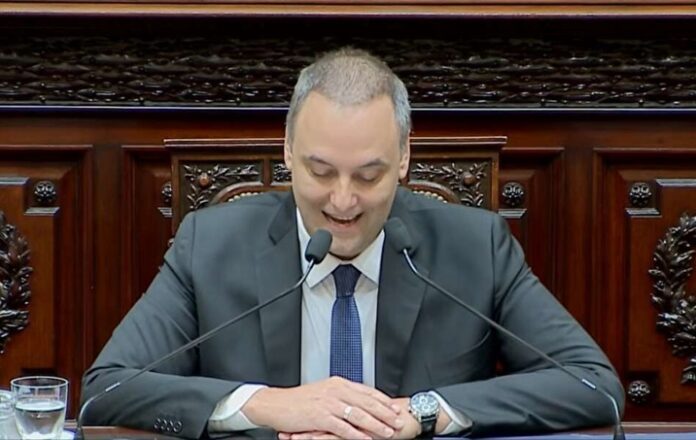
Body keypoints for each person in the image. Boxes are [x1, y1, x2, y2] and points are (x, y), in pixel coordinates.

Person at [81, 48, 624, 439]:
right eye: (321, 172)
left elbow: (594, 386)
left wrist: (423, 412)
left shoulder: (474, 247)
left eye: (368, 175)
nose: (343, 201)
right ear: (287, 151)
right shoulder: (210, 245)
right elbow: (106, 391)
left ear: (404, 159)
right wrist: (267, 405)